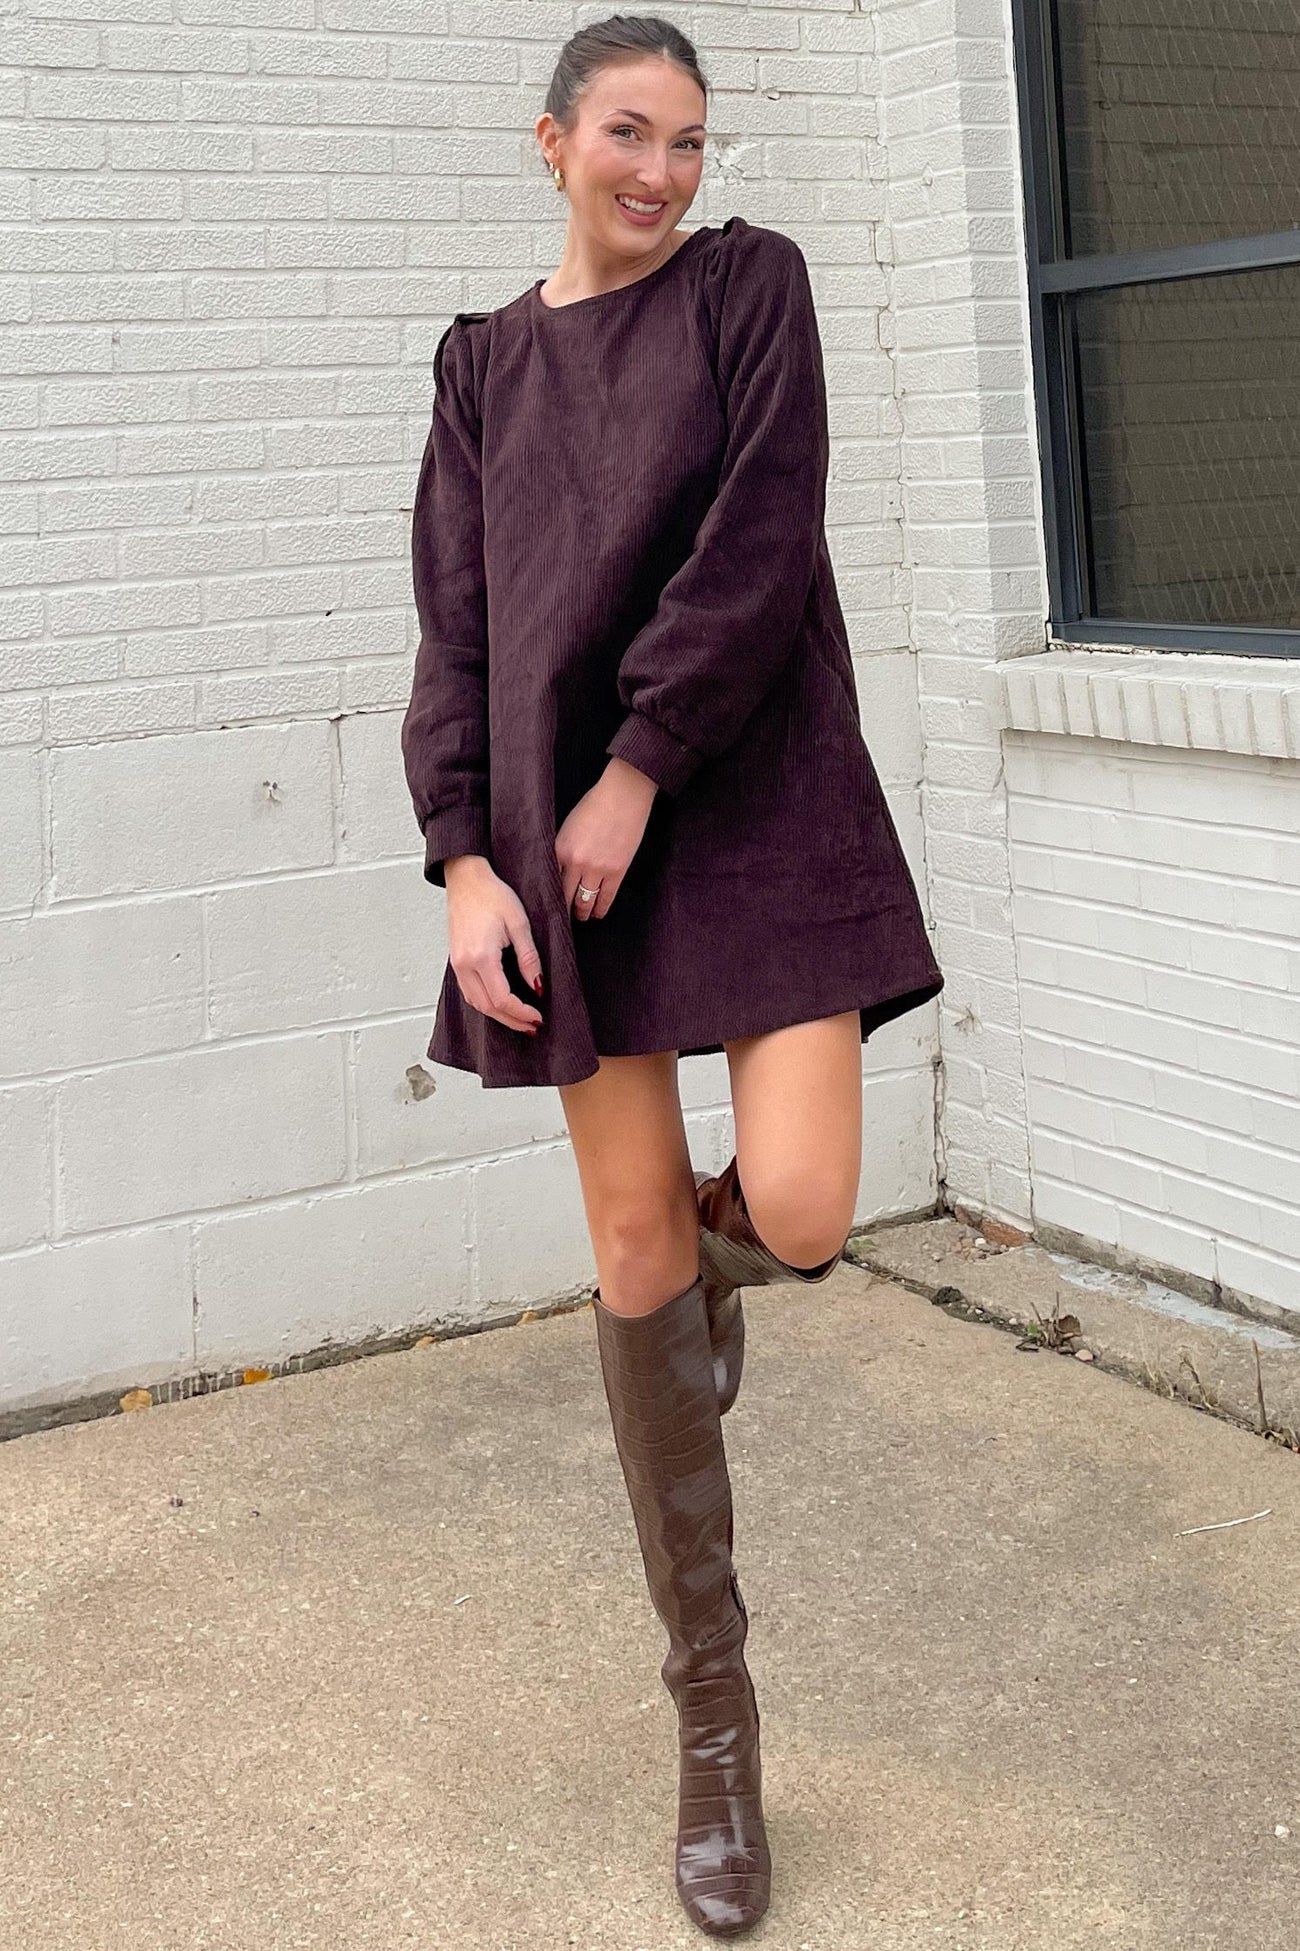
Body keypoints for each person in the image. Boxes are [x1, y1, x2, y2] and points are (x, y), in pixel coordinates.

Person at [402, 15, 944, 1936]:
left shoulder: (749, 289)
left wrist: (638, 765)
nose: (661, 170)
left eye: (690, 139)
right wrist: (464, 858)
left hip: (748, 792)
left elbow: (761, 541)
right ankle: (714, 1724)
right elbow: (456, 627)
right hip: (555, 841)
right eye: (628, 133)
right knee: (632, 1247)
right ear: (551, 142)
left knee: (796, 1207)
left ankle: (716, 1284)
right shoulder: (480, 367)